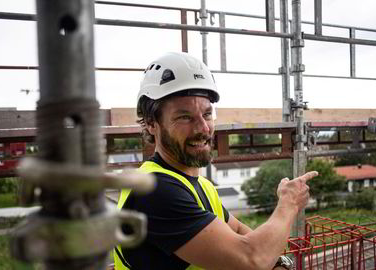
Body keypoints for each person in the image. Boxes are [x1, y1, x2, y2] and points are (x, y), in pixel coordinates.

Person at [114, 52, 318, 270]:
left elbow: (238, 231)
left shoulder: (200, 186)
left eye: (207, 114)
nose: (203, 128)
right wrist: (289, 203)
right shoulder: (153, 190)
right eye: (184, 117)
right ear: (151, 124)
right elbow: (251, 259)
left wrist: (276, 262)